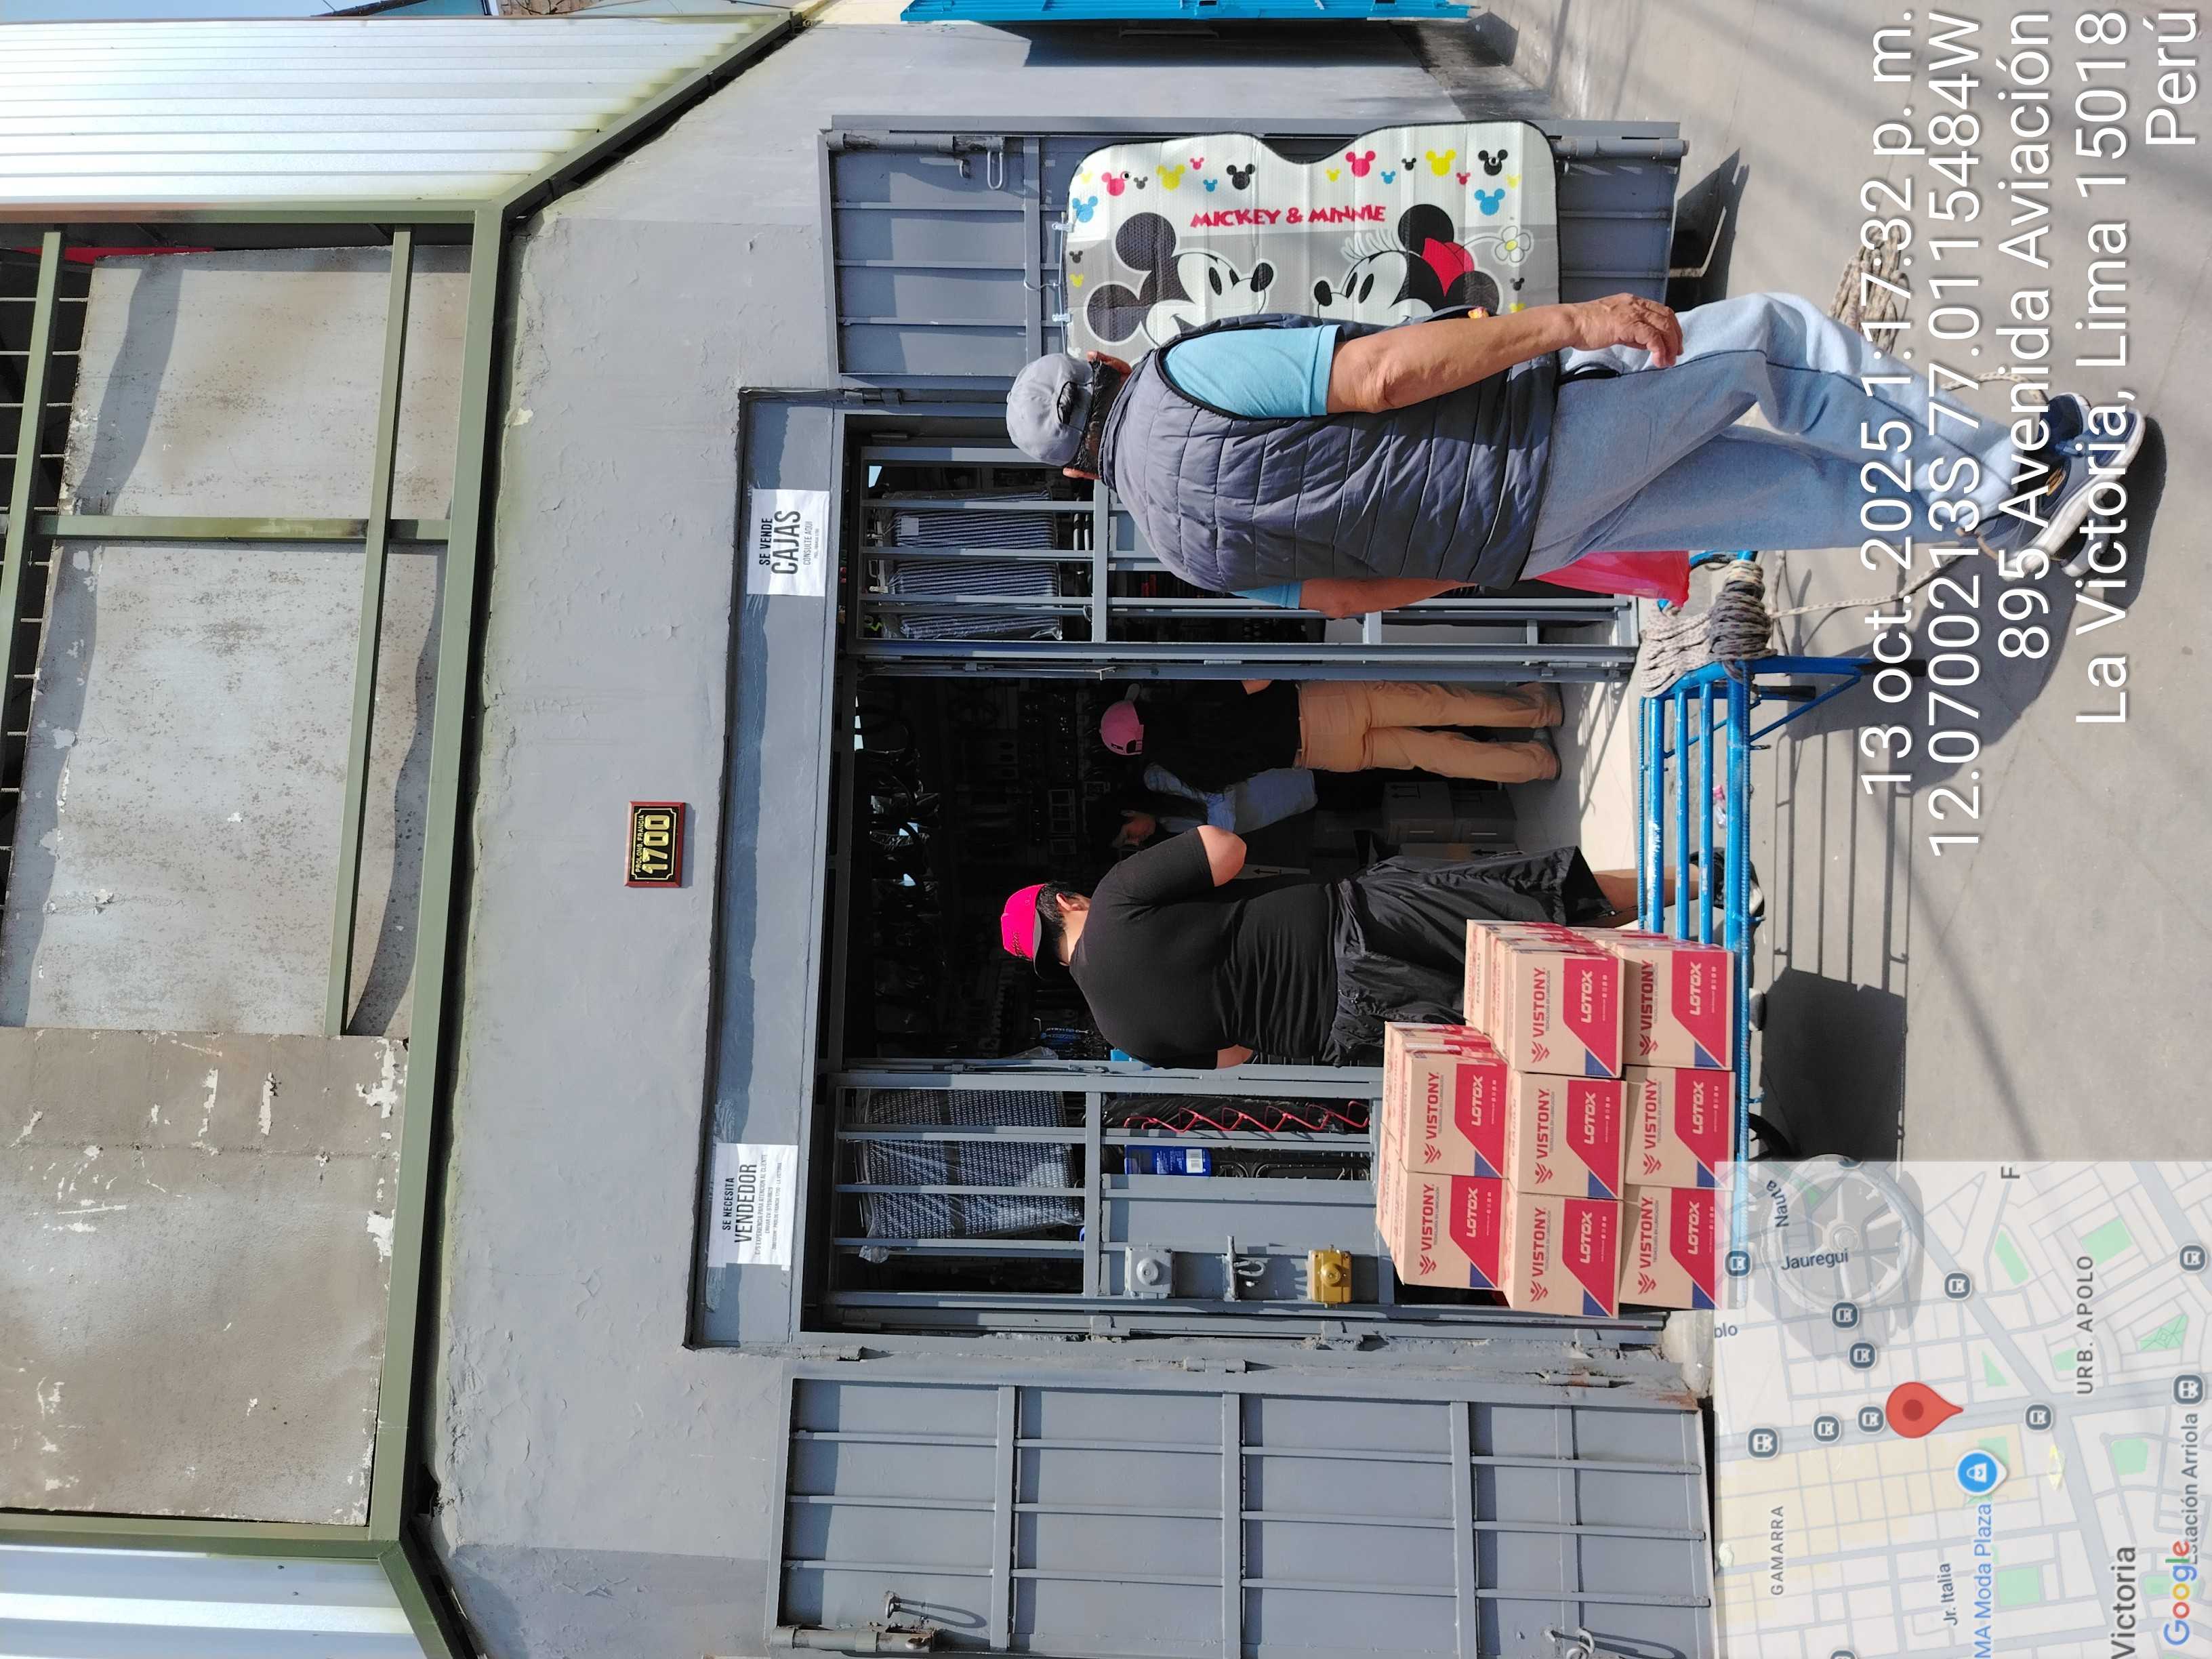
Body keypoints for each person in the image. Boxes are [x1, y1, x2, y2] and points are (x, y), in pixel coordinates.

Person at [1002, 292, 2145, 615]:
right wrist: (1566, 322)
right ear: (1103, 363)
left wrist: (1484, 552)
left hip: (1517, 540)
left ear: (1077, 473)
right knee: (1770, 342)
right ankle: (2008, 477)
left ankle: (2010, 519)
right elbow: (1383, 375)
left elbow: (1354, 596)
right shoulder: (1184, 374)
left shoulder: (1182, 553)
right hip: (1529, 446)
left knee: (1790, 492)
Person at [998, 826, 1681, 1068]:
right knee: (1528, 902)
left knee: (1532, 1001)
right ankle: (1696, 879)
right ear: (1065, 902)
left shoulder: (1119, 1031)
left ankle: (1682, 989)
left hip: (1351, 1026)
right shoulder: (1116, 897)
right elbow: (1225, 849)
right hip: (1359, 925)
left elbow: (1235, 1055)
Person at [1102, 677, 1561, 786]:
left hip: (1318, 756)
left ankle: (1536, 765)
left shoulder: (1189, 770)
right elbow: (1259, 681)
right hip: (1321, 707)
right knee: (1441, 704)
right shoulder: (1190, 701)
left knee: (1434, 754)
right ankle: (1539, 709)